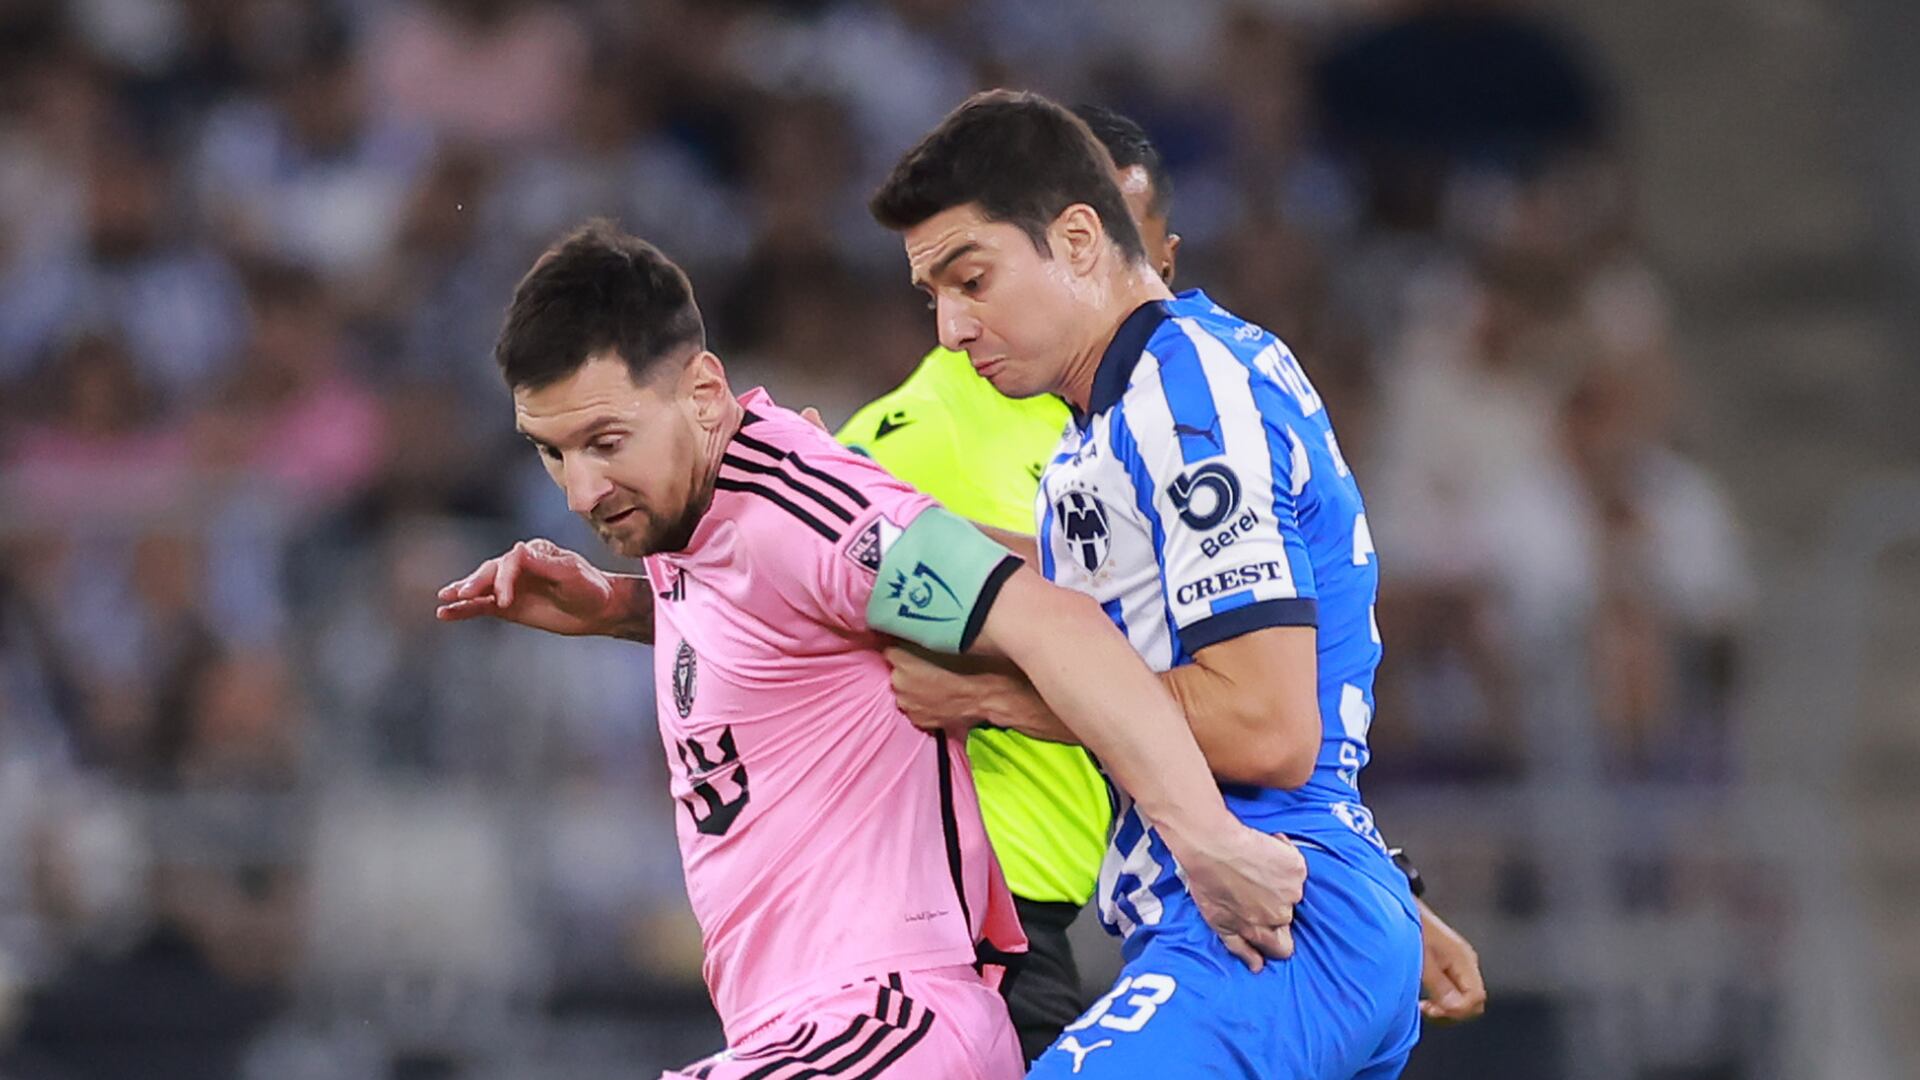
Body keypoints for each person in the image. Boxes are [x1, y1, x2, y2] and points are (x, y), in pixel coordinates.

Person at [435, 221, 1308, 1079]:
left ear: (702, 393)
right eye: (551, 453)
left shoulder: (806, 506)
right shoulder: (689, 518)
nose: (581, 489)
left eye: (604, 443)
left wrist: (1206, 840)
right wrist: (620, 607)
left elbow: (1053, 621)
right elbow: (788, 631)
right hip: (797, 1033)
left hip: (892, 1016)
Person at [842, 104, 1487, 1062]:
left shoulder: (1188, 398)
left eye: (972, 281)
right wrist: (814, 519)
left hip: (1274, 925)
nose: (951, 327)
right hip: (1256, 916)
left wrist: (994, 700)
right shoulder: (1108, 428)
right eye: (932, 294)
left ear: (1078, 240)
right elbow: (1041, 592)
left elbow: (1267, 728)